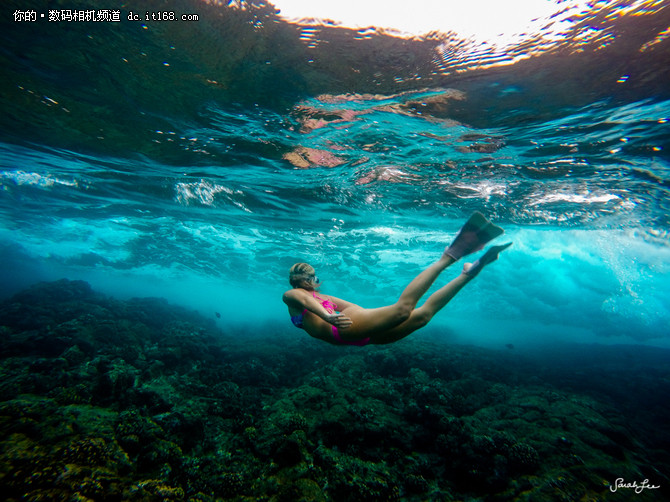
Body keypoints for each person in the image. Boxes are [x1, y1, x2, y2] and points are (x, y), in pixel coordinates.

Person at [283, 212, 512, 345]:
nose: (313, 283)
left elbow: (352, 309)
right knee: (422, 317)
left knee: (403, 311)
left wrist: (368, 318)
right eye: (312, 278)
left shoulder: (318, 297)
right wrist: (329, 316)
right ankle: (469, 274)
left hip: (350, 330)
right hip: (356, 334)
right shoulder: (292, 295)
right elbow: (305, 302)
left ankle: (449, 256)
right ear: (306, 280)